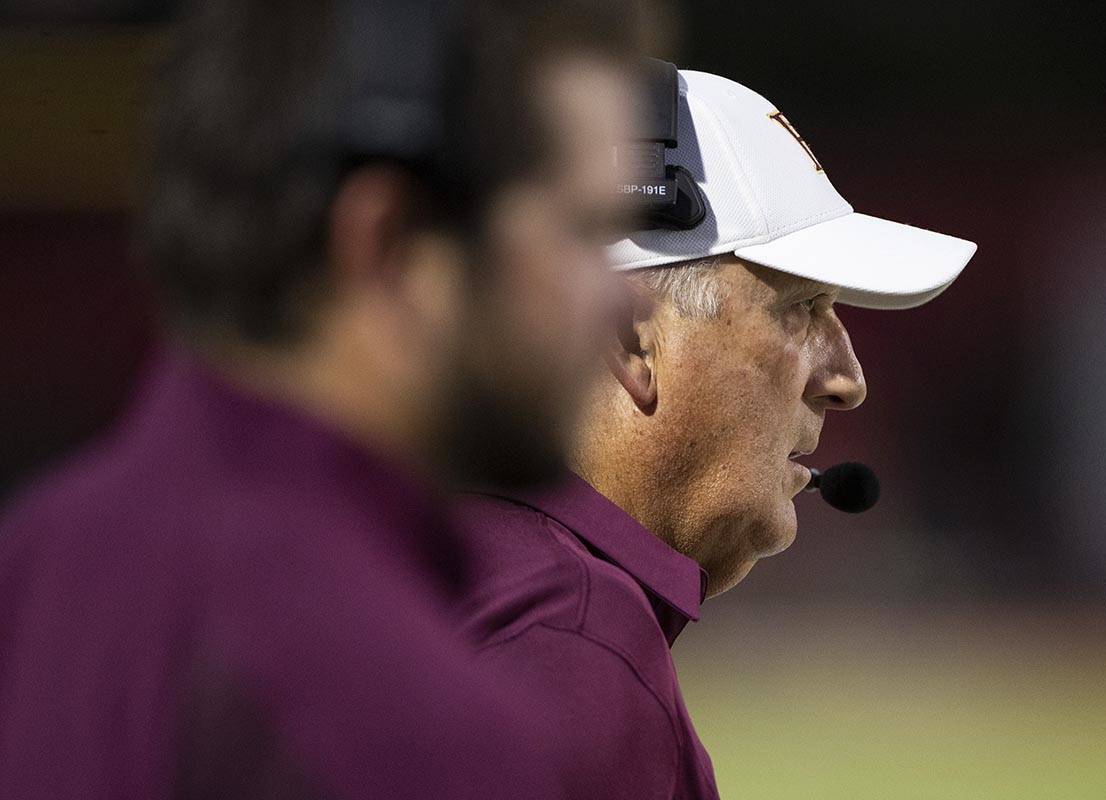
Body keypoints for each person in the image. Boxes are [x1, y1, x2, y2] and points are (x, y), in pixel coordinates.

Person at [0, 1, 639, 797]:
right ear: (389, 243)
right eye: (583, 231)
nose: (626, 301)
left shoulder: (34, 560)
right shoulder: (417, 727)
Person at [456, 70, 978, 798]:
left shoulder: (460, 561)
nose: (848, 376)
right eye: (800, 308)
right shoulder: (566, 640)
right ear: (631, 338)